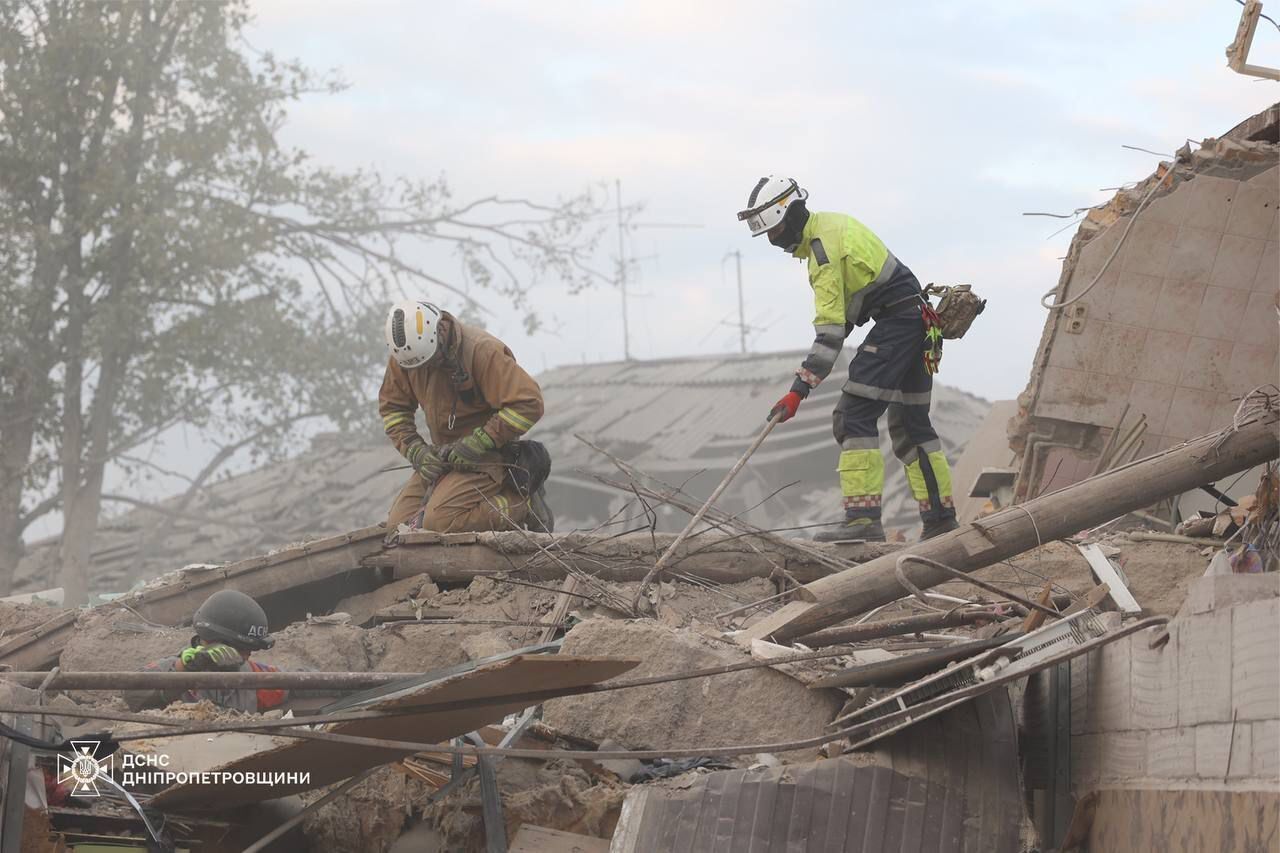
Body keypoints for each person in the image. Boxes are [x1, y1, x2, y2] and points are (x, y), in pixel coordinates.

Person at [737, 175, 958, 542]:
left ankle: (862, 520)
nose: (775, 242)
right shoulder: (833, 224)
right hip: (919, 322)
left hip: (899, 323)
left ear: (790, 214)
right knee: (911, 424)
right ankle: (941, 521)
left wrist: (798, 390)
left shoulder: (822, 254)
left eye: (775, 232)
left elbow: (830, 334)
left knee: (853, 414)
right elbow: (848, 315)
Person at [379, 300, 553, 534]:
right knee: (397, 528)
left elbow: (528, 403)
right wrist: (415, 451)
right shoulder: (408, 357)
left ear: (440, 331)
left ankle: (522, 505)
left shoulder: (482, 351)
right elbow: (393, 410)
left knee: (440, 523)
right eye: (419, 367)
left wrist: (480, 441)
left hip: (490, 456)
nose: (426, 369)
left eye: (431, 361)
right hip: (443, 457)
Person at [126, 590, 287, 713]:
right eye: (243, 649)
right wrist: (184, 670)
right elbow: (132, 695)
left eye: (250, 650)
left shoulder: (252, 677)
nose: (247, 655)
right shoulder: (170, 670)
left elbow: (297, 681)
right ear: (218, 641)